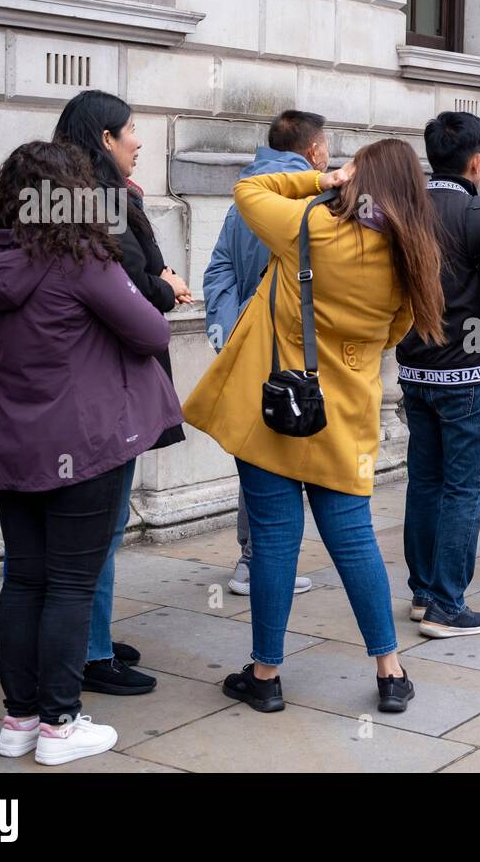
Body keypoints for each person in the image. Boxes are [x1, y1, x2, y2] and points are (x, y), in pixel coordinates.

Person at [182, 139, 445, 715]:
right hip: (345, 418)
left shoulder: (311, 229)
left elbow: (249, 189)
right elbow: (395, 334)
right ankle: (390, 671)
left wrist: (322, 180)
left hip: (277, 410)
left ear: (358, 180)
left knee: (275, 540)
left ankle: (266, 675)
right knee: (354, 539)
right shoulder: (412, 259)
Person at [0, 141, 182, 765]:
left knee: (24, 578)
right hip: (83, 445)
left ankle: (20, 720)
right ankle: (59, 724)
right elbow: (152, 330)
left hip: (10, 443)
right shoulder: (82, 258)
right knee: (70, 585)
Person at [54, 89, 185, 696]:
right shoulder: (101, 204)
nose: (139, 140)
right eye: (131, 129)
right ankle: (89, 653)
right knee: (100, 528)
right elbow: (131, 292)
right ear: (104, 139)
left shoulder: (76, 201)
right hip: (107, 389)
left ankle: (87, 636)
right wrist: (164, 287)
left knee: (75, 533)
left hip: (74, 393)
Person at [398, 112, 480, 637]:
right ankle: (448, 605)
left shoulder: (402, 211)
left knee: (424, 482)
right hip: (466, 378)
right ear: (476, 160)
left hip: (413, 371)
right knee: (463, 489)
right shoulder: (479, 214)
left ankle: (424, 593)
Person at [203, 110, 330, 600]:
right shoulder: (313, 193)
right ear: (315, 151)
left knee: (259, 447)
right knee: (288, 449)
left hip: (252, 344)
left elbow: (219, 269)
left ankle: (252, 560)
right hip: (295, 348)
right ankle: (259, 563)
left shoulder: (246, 192)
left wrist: (230, 331)